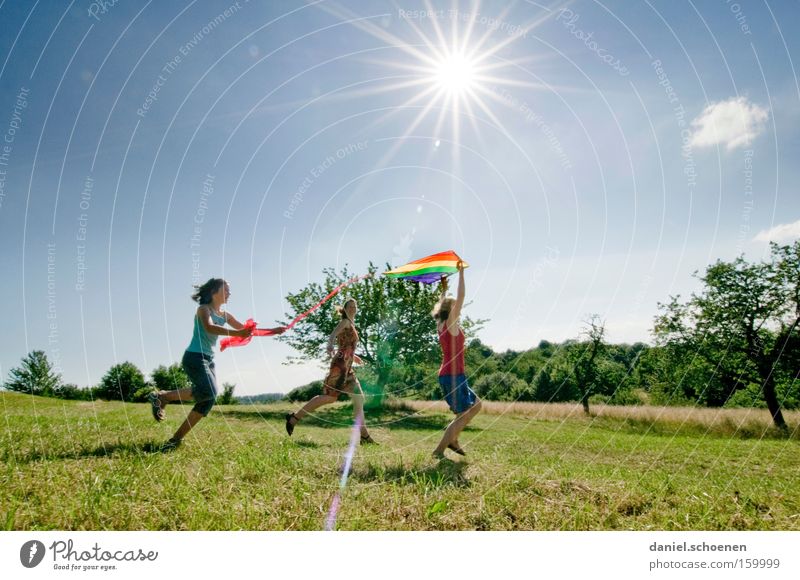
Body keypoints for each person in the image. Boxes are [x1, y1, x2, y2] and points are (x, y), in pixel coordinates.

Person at [148, 278, 284, 451]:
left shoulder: (225, 315)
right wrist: (237, 332)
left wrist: (273, 331)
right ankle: (163, 396)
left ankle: (175, 439)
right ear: (214, 291)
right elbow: (209, 327)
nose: (229, 293)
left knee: (208, 399)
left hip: (208, 360)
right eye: (226, 289)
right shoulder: (203, 309)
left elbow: (246, 330)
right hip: (194, 357)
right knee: (209, 391)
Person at [285, 298, 376, 444]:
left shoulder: (352, 324)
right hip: (339, 366)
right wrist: (329, 345)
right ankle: (294, 418)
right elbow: (333, 335)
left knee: (359, 397)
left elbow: (346, 345)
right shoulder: (345, 322)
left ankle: (364, 436)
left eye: (355, 306)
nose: (353, 308)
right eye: (350, 306)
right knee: (330, 398)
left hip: (348, 368)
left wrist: (355, 356)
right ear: (345, 310)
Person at [431, 261, 482, 459]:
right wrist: (460, 273)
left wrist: (443, 288)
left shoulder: (441, 323)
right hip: (452, 376)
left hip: (453, 375)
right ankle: (440, 450)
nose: (458, 308)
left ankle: (453, 440)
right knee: (464, 413)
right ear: (451, 310)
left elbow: (446, 301)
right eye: (455, 307)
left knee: (476, 406)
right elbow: (461, 297)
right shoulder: (450, 323)